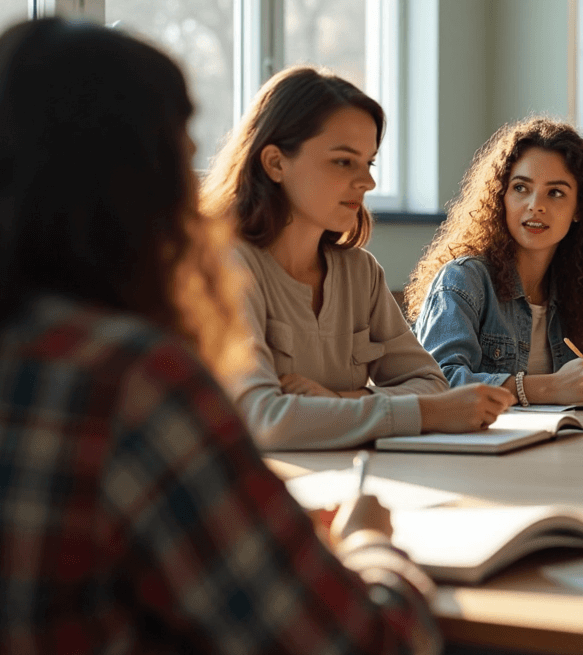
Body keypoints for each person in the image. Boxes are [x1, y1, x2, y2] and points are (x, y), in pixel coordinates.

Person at [0, 18, 439, 652]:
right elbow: (365, 642)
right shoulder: (130, 381)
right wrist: (370, 543)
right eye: (182, 154)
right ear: (138, 180)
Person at [201, 66, 514, 450]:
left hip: (361, 481)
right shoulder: (226, 268)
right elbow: (263, 419)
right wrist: (426, 414)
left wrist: (343, 402)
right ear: (276, 163)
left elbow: (431, 383)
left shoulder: (360, 272)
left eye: (369, 163)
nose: (367, 182)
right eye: (343, 161)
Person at [406, 117, 583, 406]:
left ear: (579, 210)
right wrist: (549, 387)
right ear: (501, 197)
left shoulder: (573, 290)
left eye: (556, 192)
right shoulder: (463, 280)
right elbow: (436, 383)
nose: (535, 205)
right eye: (521, 188)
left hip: (563, 442)